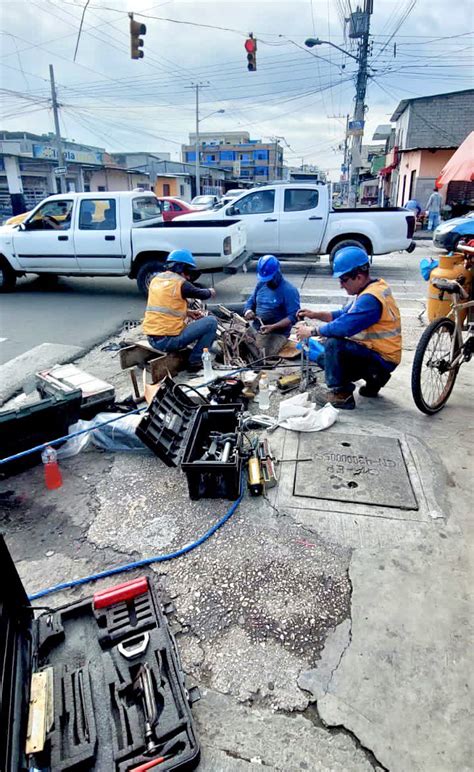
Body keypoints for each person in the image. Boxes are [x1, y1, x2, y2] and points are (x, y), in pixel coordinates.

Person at [296, 246, 401, 410]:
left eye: (343, 280)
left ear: (358, 277)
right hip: (383, 355)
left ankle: (342, 394)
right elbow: (342, 314)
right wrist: (315, 314)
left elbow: (343, 327)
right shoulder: (374, 288)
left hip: (381, 359)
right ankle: (375, 380)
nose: (341, 285)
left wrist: (312, 331)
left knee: (332, 345)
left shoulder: (369, 300)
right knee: (327, 357)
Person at [143, 249, 217, 373]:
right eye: (188, 272)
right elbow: (202, 294)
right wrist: (211, 291)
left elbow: (165, 305)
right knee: (211, 322)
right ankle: (195, 361)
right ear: (181, 268)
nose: (188, 277)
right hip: (167, 342)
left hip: (152, 338)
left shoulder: (156, 280)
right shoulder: (181, 283)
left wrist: (187, 312)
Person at [243, 254, 300, 358]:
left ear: (277, 272)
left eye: (269, 279)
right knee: (237, 346)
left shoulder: (289, 290)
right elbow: (251, 301)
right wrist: (248, 311)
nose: (267, 282)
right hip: (257, 328)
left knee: (260, 355)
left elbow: (294, 316)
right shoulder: (261, 284)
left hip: (277, 333)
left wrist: (273, 327)